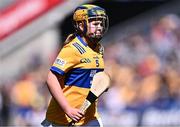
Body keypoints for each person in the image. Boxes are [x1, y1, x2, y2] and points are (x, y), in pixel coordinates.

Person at [41, 4, 109, 127]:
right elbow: (51, 79)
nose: (99, 27)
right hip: (63, 120)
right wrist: (68, 109)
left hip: (90, 118)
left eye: (101, 23)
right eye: (94, 24)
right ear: (81, 25)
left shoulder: (98, 49)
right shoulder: (72, 49)